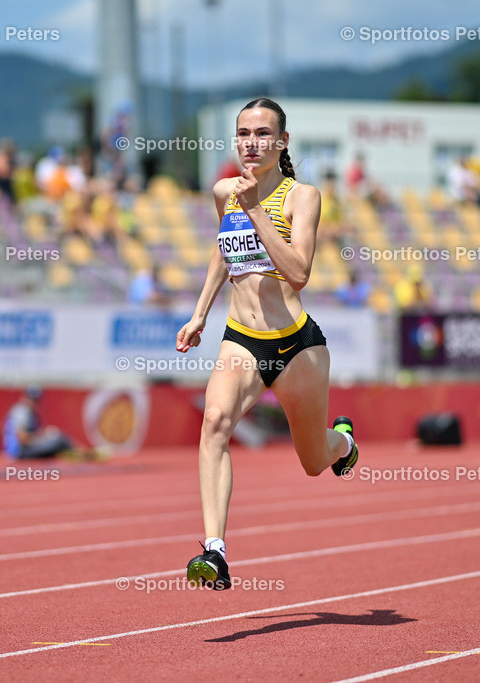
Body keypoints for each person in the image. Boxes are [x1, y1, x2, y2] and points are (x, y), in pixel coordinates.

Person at [175, 98, 358, 590]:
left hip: (297, 346)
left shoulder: (303, 197)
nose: (250, 143)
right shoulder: (223, 192)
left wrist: (255, 208)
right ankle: (215, 553)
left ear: (282, 142)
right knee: (215, 422)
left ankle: (343, 441)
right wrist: (199, 314)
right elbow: (223, 248)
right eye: (242, 133)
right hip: (242, 340)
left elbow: (298, 273)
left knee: (314, 461)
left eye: (261, 134)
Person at [2, 386, 79, 460]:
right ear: (25, 397)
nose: (34, 402)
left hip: (22, 450)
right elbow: (23, 438)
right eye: (32, 399)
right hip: (19, 452)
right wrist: (44, 437)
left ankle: (76, 452)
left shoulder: (28, 412)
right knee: (58, 441)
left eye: (36, 400)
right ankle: (78, 453)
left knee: (57, 439)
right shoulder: (22, 412)